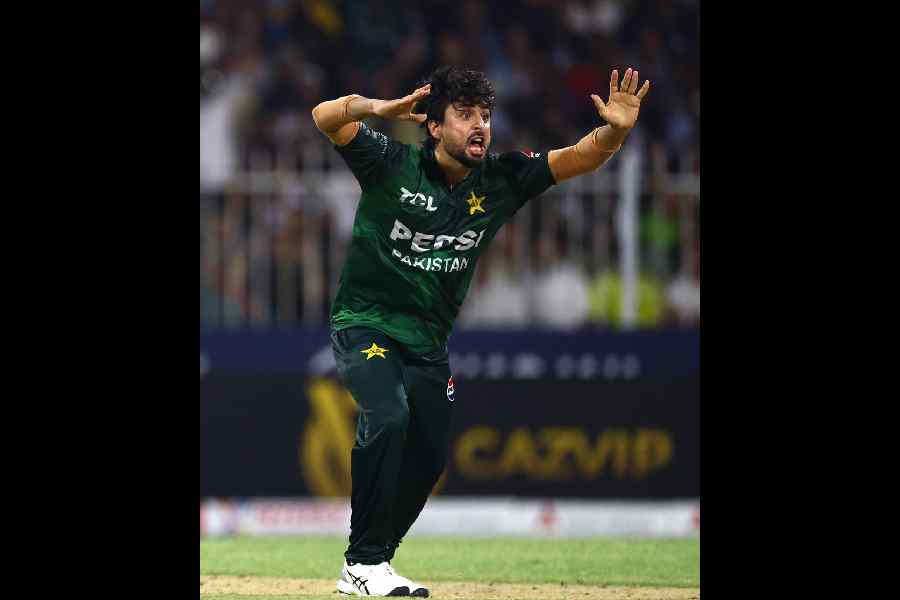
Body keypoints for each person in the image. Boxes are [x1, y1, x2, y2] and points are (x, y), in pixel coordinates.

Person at [311, 65, 649, 597]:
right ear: (434, 126)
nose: (480, 126)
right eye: (465, 114)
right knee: (389, 414)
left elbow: (581, 157)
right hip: (365, 323)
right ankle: (365, 563)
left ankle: (371, 562)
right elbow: (324, 117)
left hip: (428, 342)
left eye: (485, 116)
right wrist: (375, 108)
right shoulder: (390, 162)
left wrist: (615, 132)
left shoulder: (501, 179)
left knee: (429, 457)